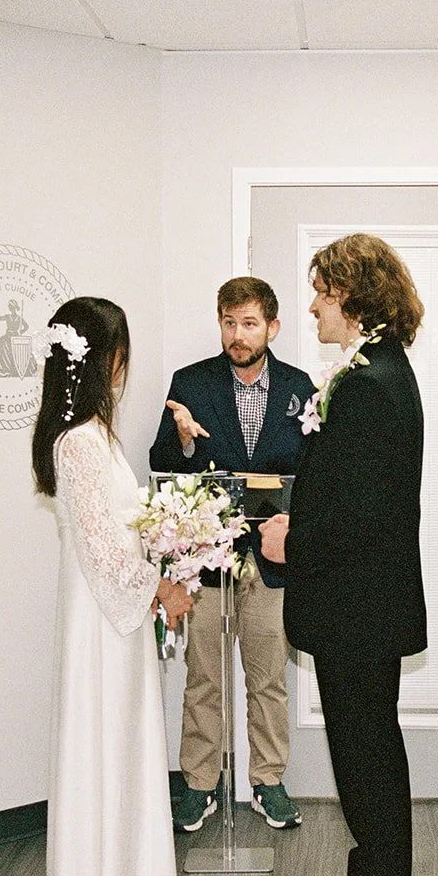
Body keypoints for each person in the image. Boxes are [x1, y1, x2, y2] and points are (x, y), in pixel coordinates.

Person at [259, 234, 426, 876]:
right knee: (365, 761)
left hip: (359, 608)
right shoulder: (374, 370)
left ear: (352, 294)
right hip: (363, 607)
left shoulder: (368, 381)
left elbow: (360, 513)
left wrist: (292, 539)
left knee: (370, 766)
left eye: (321, 288)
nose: (313, 302)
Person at [31, 296, 192, 876]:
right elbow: (103, 548)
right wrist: (157, 588)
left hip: (109, 618)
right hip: (102, 624)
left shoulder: (92, 437)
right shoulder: (81, 444)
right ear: (109, 361)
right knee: (106, 750)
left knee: (117, 751)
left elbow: (118, 536)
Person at [149, 277, 317, 832]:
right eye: (228, 322)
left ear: (272, 327)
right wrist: (185, 440)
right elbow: (162, 465)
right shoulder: (189, 384)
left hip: (272, 560)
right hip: (207, 559)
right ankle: (200, 786)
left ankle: (268, 782)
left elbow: (316, 472)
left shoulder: (300, 387)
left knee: (268, 676)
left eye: (248, 324)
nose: (237, 335)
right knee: (204, 677)